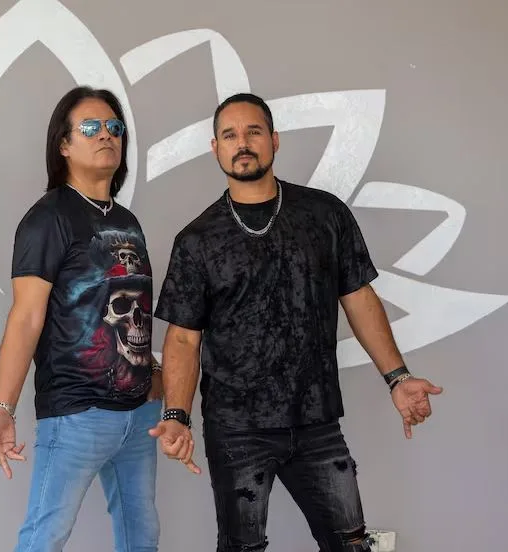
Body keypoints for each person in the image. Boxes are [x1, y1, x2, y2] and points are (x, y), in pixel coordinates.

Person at [151, 93, 443, 552]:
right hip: (237, 427)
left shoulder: (324, 215)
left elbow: (359, 298)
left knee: (349, 543)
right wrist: (176, 416)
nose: (242, 143)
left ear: (274, 140)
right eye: (230, 135)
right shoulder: (197, 240)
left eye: (253, 132)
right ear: (215, 148)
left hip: (317, 420)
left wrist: (398, 378)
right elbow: (184, 338)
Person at [0, 86, 163, 552]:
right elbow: (26, 318)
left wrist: (153, 371)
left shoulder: (128, 221)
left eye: (114, 127)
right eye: (91, 127)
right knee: (45, 538)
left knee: (143, 539)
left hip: (139, 415)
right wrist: (3, 408)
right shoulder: (48, 219)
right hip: (77, 413)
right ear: (63, 144)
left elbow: (126, 306)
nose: (106, 136)